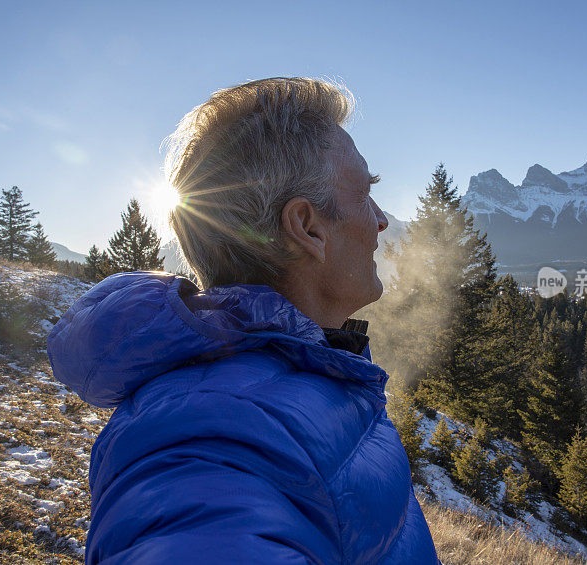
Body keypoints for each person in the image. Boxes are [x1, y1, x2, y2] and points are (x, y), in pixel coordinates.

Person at [48, 78, 440, 564]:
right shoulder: (217, 441)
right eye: (365, 193)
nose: (381, 220)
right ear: (308, 227)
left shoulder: (306, 373)